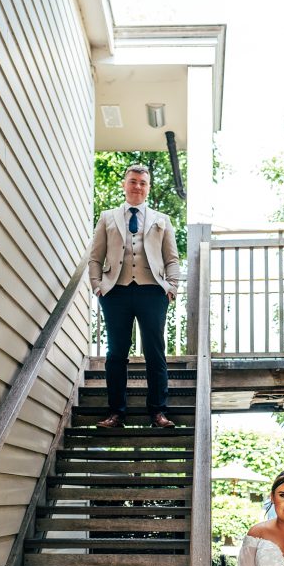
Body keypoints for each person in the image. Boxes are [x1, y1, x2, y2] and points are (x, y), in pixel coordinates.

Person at [88, 164, 180, 429]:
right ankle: (116, 413)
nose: (137, 186)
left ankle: (158, 412)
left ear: (148, 188)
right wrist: (97, 286)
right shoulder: (107, 217)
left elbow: (171, 258)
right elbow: (95, 257)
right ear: (124, 184)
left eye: (143, 182)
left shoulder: (161, 219)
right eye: (133, 181)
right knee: (116, 353)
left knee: (155, 352)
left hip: (152, 291)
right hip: (115, 291)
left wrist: (172, 287)